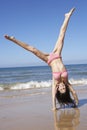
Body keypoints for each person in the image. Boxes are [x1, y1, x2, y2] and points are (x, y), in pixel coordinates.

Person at [4, 8, 78, 110]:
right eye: (64, 88)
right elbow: (73, 92)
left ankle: (13, 40)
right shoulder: (66, 82)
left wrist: (54, 107)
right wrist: (75, 102)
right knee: (62, 35)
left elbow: (53, 96)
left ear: (58, 89)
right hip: (57, 54)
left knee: (33, 49)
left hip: (49, 59)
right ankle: (67, 16)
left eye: (61, 88)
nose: (62, 86)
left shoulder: (55, 84)